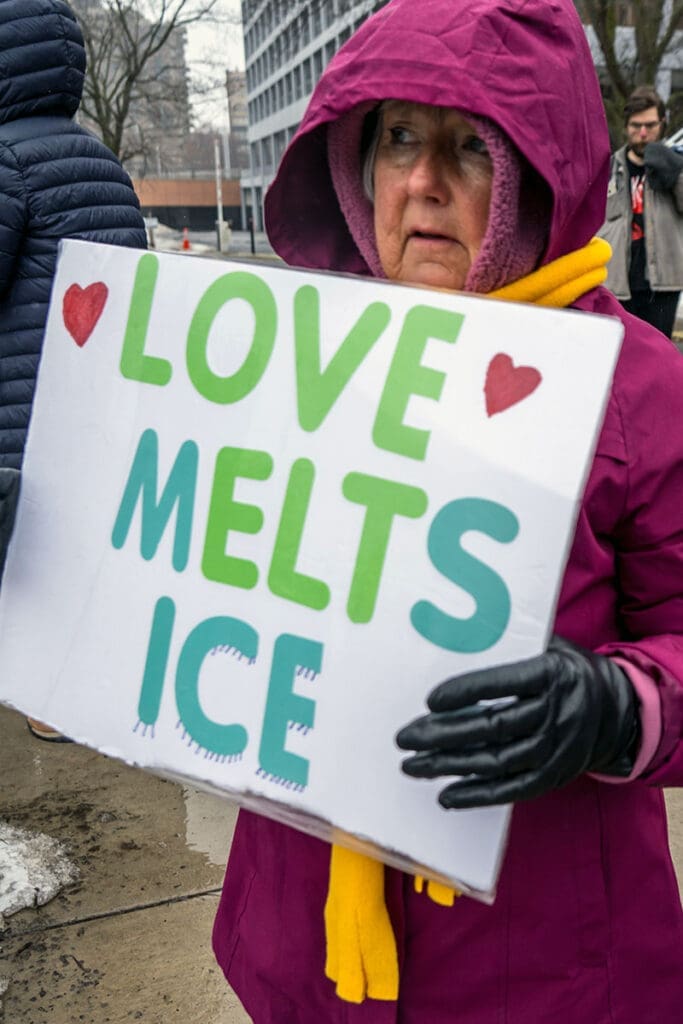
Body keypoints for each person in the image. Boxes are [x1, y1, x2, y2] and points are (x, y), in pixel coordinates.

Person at [212, 1, 683, 1021]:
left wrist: (614, 707)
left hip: (540, 959)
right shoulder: (281, 360)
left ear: (538, 173)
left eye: (470, 147)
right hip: (305, 943)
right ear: (354, 166)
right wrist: (61, 536)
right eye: (396, 139)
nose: (421, 181)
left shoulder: (638, 385)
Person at [0, 0, 147, 740]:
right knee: (74, 550)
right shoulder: (107, 165)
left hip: (16, 401)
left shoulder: (5, 159)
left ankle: (43, 693)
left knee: (24, 554)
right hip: (94, 400)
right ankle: (72, 698)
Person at [598, 85, 683, 338]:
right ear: (626, 127)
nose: (643, 133)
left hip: (663, 284)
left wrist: (676, 174)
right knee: (618, 359)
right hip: (616, 283)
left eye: (650, 125)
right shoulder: (608, 168)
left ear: (662, 124)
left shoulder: (676, 165)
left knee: (659, 358)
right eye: (636, 126)